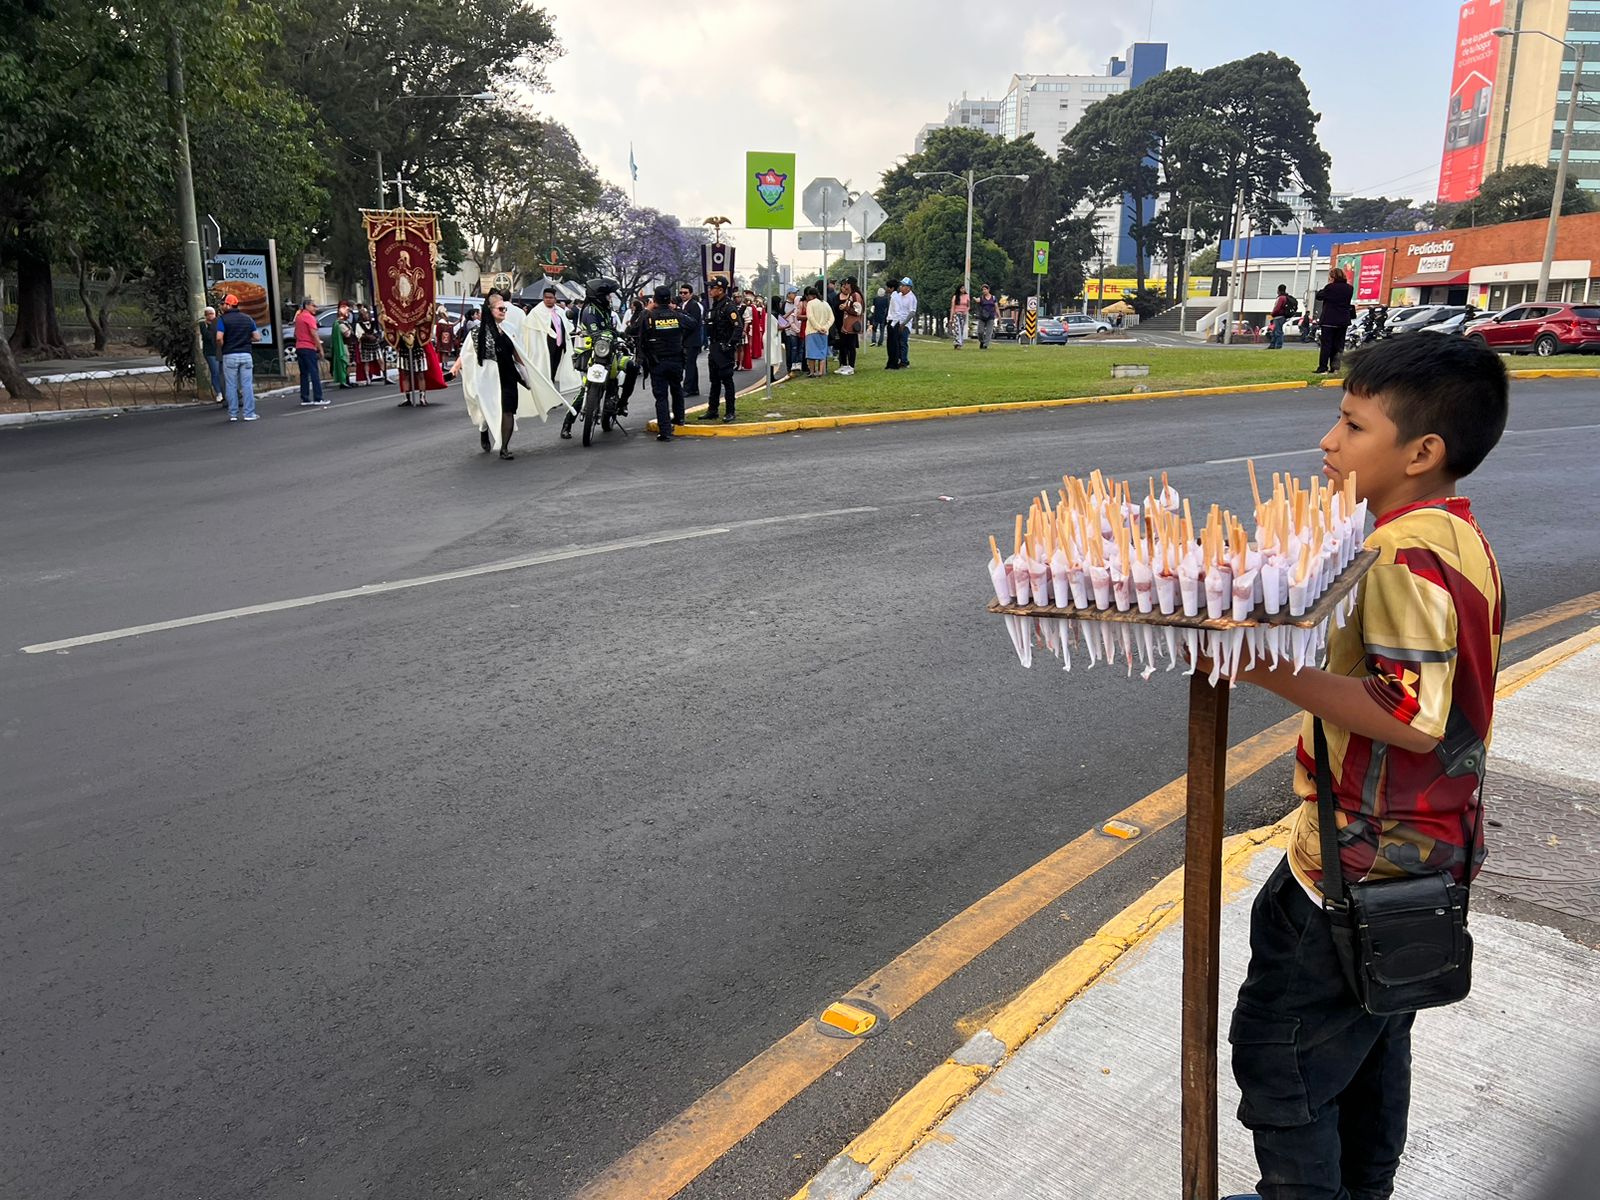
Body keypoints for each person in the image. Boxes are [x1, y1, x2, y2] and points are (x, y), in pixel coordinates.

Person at [1220, 335, 1508, 1200]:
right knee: (1373, 1044)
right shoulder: (1454, 538)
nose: (1327, 441)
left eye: (1351, 424)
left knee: (1284, 1062)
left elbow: (1407, 716)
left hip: (1360, 862)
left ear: (1422, 453)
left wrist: (1260, 664)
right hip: (1418, 855)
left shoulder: (1404, 557)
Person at [448, 291, 529, 459]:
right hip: (487, 379)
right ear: (489, 310)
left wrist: (528, 374)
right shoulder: (477, 333)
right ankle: (483, 430)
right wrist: (455, 368)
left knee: (508, 410)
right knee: (487, 411)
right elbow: (466, 354)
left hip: (508, 375)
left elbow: (518, 353)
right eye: (500, 309)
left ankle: (504, 448)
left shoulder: (510, 329)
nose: (503, 312)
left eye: (505, 309)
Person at [638, 285, 686, 441]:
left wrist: (646, 309)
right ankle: (679, 418)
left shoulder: (649, 316)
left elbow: (632, 330)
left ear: (655, 300)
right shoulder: (677, 316)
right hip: (676, 359)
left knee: (661, 397)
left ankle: (665, 431)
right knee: (677, 389)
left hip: (657, 361)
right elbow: (693, 324)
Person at [701, 277, 742, 422]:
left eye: (713, 288)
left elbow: (738, 327)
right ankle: (713, 410)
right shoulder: (715, 305)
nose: (710, 290)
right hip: (714, 347)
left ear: (721, 290)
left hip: (724, 348)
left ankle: (730, 411)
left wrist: (730, 344)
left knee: (727, 380)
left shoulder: (728, 306)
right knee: (714, 381)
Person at [215, 293, 261, 421]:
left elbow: (219, 338)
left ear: (229, 305)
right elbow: (257, 337)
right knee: (247, 385)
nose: (222, 306)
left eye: (223, 304)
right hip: (246, 354)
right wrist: (246, 340)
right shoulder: (248, 318)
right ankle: (249, 413)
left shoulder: (223, 320)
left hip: (230, 355)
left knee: (231, 385)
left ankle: (233, 414)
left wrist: (223, 345)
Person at [1315, 267, 1355, 374]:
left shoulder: (1330, 287)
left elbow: (1319, 296)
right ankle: (1335, 367)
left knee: (1326, 345)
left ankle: (1323, 367)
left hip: (1329, 319)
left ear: (1332, 277)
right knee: (1339, 345)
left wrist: (1327, 286)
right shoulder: (1349, 288)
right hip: (1343, 320)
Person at [293, 297, 328, 407]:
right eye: (313, 306)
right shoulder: (309, 317)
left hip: (299, 347)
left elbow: (295, 334)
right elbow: (314, 334)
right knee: (314, 373)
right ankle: (318, 398)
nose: (315, 308)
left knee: (304, 374)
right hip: (309, 347)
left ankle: (305, 398)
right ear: (307, 306)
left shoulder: (299, 317)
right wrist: (320, 349)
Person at [885, 277, 917, 369]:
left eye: (903, 286)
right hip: (897, 322)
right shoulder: (898, 295)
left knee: (903, 342)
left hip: (905, 323)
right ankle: (898, 359)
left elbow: (912, 312)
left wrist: (904, 324)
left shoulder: (911, 298)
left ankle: (904, 361)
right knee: (896, 342)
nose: (901, 287)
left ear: (908, 287)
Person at [678, 284, 704, 396]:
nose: (683, 295)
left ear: (691, 294)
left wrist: (682, 317)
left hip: (692, 340)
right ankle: (694, 388)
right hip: (687, 340)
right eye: (681, 293)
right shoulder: (683, 305)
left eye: (685, 293)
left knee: (690, 365)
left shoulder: (694, 305)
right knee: (691, 364)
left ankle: (688, 388)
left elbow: (693, 323)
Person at [802, 286, 834, 378]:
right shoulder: (825, 304)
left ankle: (812, 372)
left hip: (812, 331)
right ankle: (821, 372)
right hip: (824, 332)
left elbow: (810, 317)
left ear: (811, 295)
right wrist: (825, 327)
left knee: (811, 353)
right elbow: (831, 318)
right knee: (822, 352)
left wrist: (818, 327)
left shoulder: (810, 303)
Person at [836, 279, 863, 376]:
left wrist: (846, 308)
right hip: (846, 325)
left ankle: (851, 367)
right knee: (844, 346)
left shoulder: (856, 296)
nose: (844, 286)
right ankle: (844, 365)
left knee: (851, 347)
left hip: (852, 326)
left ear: (850, 284)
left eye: (846, 284)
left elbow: (857, 311)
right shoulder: (850, 295)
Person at [352, 304, 385, 385]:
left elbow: (376, 332)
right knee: (366, 362)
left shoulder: (373, 323)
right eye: (364, 314)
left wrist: (376, 336)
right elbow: (359, 335)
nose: (366, 315)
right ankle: (367, 378)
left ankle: (385, 375)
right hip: (366, 345)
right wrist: (369, 337)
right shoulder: (359, 325)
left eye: (367, 314)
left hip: (375, 344)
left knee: (380, 359)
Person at [201, 305, 224, 400]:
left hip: (220, 350)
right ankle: (219, 392)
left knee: (222, 372)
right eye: (208, 314)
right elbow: (208, 336)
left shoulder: (219, 322)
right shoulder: (203, 325)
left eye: (212, 314)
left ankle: (224, 391)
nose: (211, 316)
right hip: (210, 352)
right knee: (215, 372)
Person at [330, 300, 354, 389]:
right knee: (344, 363)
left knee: (348, 364)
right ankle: (343, 381)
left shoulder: (344, 322)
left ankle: (347, 380)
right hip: (343, 346)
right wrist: (350, 330)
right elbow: (347, 334)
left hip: (347, 345)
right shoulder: (339, 323)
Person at [973, 284, 998, 350]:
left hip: (991, 316)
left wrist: (999, 316)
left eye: (985, 289)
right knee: (980, 332)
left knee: (989, 332)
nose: (984, 291)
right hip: (982, 316)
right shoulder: (981, 298)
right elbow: (977, 300)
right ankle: (982, 341)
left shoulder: (993, 298)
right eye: (983, 290)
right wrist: (974, 298)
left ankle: (985, 345)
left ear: (988, 290)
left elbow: (996, 307)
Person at [1267, 284, 1291, 350]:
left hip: (1278, 317)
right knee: (1274, 332)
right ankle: (1272, 345)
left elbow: (1277, 308)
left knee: (1278, 332)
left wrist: (1271, 314)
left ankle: (1278, 346)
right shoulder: (1285, 297)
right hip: (1281, 317)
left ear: (1278, 290)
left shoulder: (1281, 298)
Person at [949, 284, 970, 349]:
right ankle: (958, 343)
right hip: (956, 314)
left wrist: (966, 311)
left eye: (964, 288)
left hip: (963, 314)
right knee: (957, 329)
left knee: (961, 329)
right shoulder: (955, 297)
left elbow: (968, 305)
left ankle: (957, 342)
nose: (963, 290)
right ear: (959, 289)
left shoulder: (967, 296)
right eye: (962, 288)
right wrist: (951, 318)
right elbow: (952, 307)